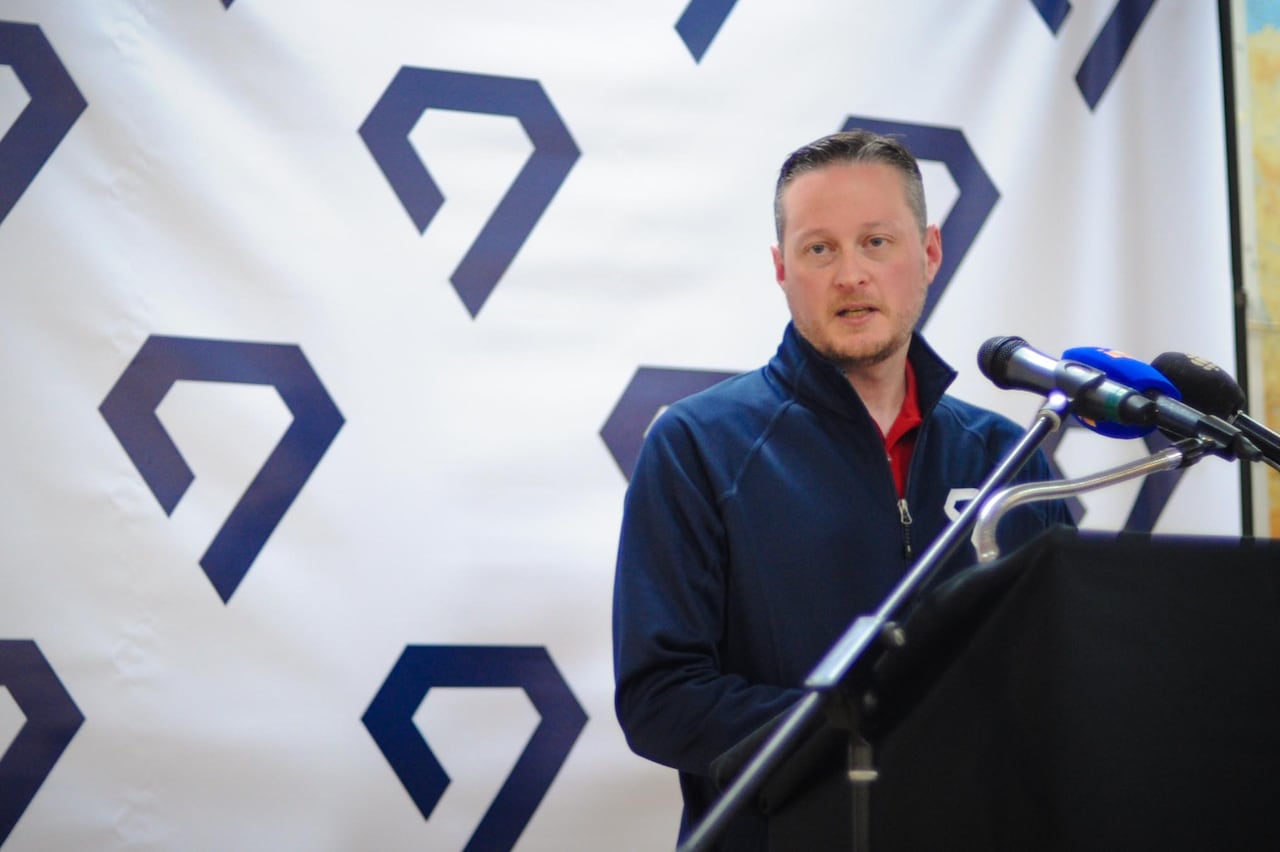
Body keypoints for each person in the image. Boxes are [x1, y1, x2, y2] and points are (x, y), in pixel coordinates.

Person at [611, 129, 1071, 849]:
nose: (850, 274)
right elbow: (660, 697)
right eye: (819, 249)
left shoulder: (1008, 459)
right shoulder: (697, 445)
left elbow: (1062, 679)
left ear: (930, 254)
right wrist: (870, 740)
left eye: (876, 242)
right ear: (781, 269)